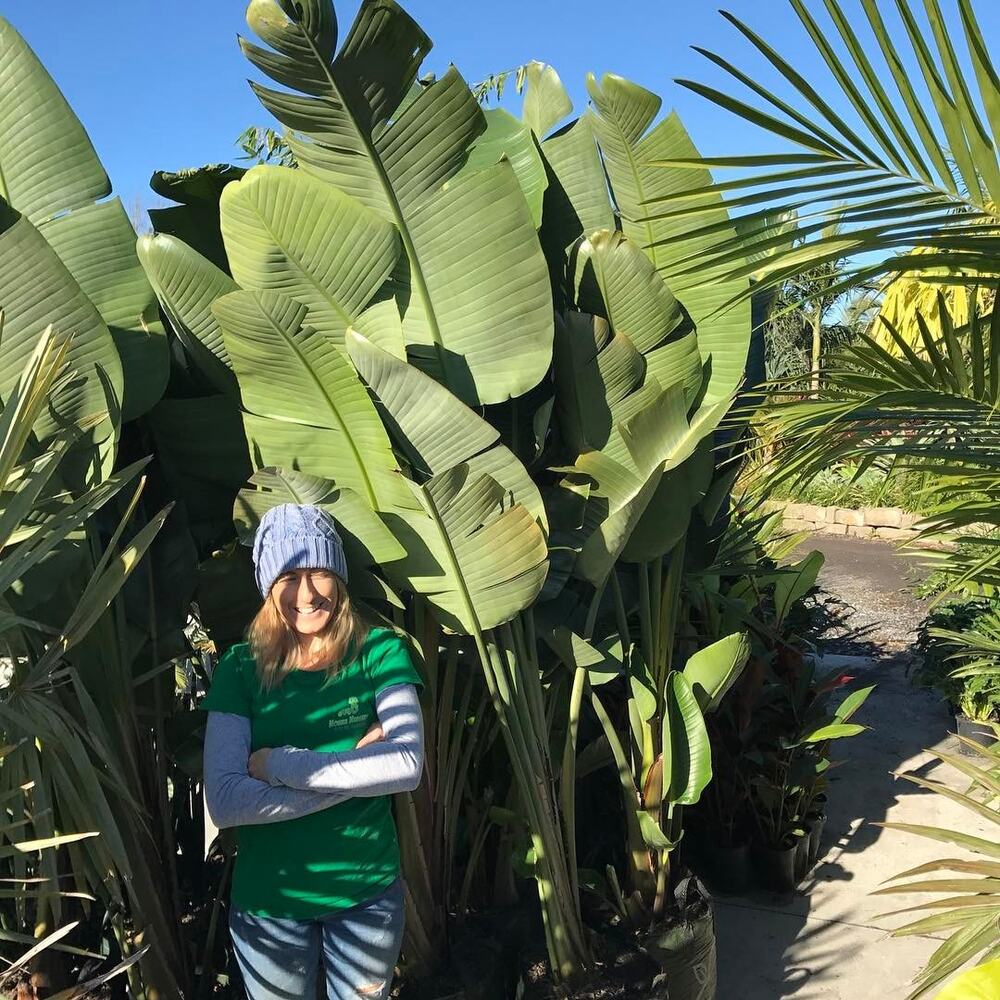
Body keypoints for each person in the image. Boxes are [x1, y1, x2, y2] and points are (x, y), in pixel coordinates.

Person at [202, 503, 424, 1000]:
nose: (306, 594)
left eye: (319, 572)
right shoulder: (239, 669)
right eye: (289, 576)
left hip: (366, 896)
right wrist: (357, 776)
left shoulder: (380, 653)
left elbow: (406, 765)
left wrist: (281, 765)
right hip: (270, 905)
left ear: (339, 579)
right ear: (267, 587)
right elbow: (226, 801)